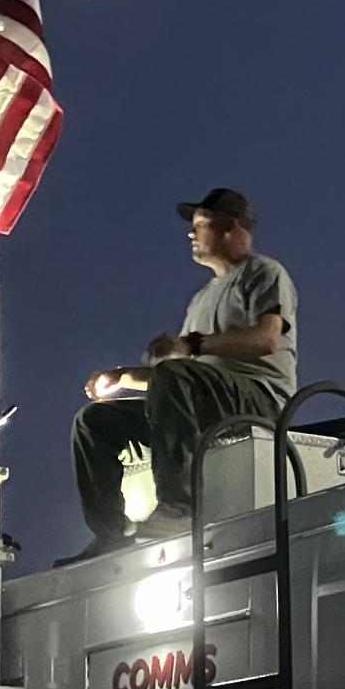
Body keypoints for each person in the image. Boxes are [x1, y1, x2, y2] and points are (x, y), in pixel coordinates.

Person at [67, 186, 298, 559]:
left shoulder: (264, 273)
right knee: (93, 422)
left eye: (201, 225)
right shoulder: (201, 300)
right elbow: (177, 379)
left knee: (175, 375)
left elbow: (266, 339)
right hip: (207, 401)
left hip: (259, 400)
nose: (192, 234)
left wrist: (189, 346)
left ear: (229, 227)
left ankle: (180, 505)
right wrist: (123, 378)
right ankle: (110, 532)